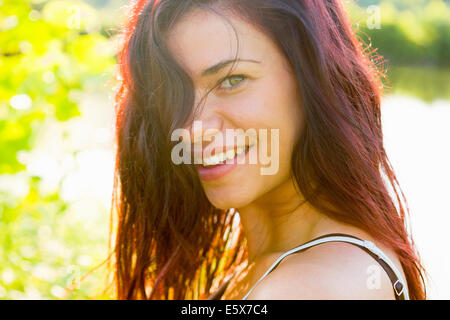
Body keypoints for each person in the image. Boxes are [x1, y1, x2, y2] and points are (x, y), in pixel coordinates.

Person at [111, 0, 426, 300]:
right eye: (173, 92)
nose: (193, 129)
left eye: (233, 80)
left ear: (312, 78)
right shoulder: (275, 268)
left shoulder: (316, 286)